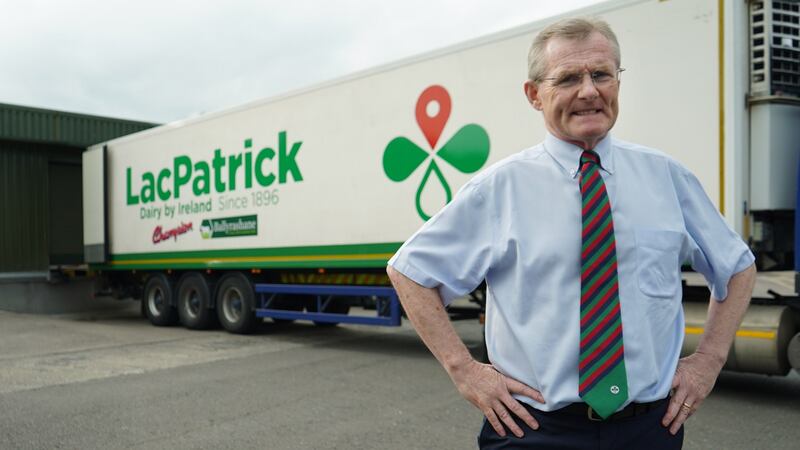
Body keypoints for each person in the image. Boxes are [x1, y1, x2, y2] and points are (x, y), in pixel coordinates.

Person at [386, 17, 756, 450]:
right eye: (567, 79)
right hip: (533, 430)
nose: (589, 91)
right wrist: (464, 370)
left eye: (601, 74)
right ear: (534, 95)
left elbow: (737, 266)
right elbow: (409, 272)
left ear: (617, 82)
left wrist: (708, 360)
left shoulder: (667, 178)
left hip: (648, 430)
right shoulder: (501, 189)